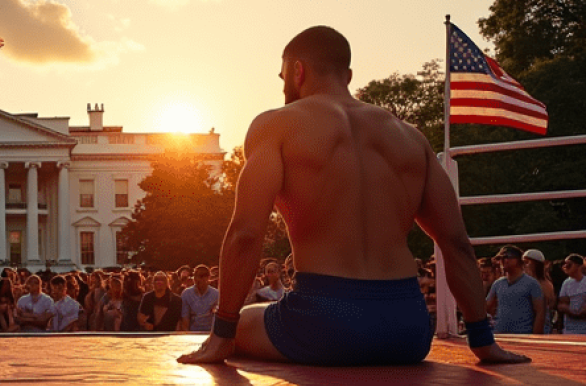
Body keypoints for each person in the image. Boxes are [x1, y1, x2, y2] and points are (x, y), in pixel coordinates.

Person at [180, 26, 526, 366]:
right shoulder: (411, 137)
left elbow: (246, 234)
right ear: (347, 74)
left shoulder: (276, 126)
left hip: (323, 322)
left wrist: (222, 334)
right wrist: (483, 341)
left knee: (243, 319)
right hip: (407, 329)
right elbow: (456, 243)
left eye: (283, 76)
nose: (284, 87)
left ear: (297, 71)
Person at [486, 245, 545, 335]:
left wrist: (536, 336)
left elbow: (540, 311)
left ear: (518, 260)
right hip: (500, 336)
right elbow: (486, 307)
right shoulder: (498, 283)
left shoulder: (532, 283)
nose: (502, 261)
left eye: (506, 257)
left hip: (523, 336)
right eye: (500, 258)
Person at [522, 250, 557, 334]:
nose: (524, 265)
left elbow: (548, 305)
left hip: (541, 323)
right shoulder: (522, 281)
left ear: (536, 264)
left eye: (527, 262)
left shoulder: (545, 284)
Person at [181, 264, 219, 332]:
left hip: (210, 332)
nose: (197, 279)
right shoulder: (186, 294)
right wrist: (187, 335)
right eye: (195, 276)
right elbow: (185, 317)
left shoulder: (216, 294)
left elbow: (217, 318)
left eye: (201, 276)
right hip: (193, 332)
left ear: (208, 277)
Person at [558, 254, 586, 335]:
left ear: (579, 266)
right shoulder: (566, 283)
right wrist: (575, 312)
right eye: (564, 264)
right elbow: (562, 305)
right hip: (569, 330)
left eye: (569, 264)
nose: (565, 266)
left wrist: (574, 311)